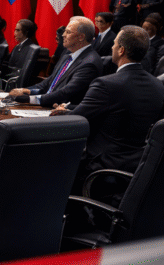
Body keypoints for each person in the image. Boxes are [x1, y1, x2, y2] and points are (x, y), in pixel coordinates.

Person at [50, 25, 164, 187]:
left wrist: (61, 114)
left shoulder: (106, 84)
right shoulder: (157, 85)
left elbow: (74, 121)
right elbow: (119, 111)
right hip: (133, 169)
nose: (111, 46)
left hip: (97, 168)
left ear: (121, 50)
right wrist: (69, 109)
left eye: (115, 43)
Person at [9, 16, 101, 106]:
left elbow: (65, 93)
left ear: (81, 37)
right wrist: (26, 91)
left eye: (68, 32)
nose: (63, 35)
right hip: (48, 104)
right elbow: (50, 82)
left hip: (62, 112)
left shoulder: (89, 63)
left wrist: (30, 99)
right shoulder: (67, 56)